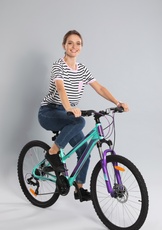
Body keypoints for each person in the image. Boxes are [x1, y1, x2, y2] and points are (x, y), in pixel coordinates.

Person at [38, 30, 129, 202]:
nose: (74, 46)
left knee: (85, 151)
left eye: (78, 43)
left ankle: (79, 188)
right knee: (79, 121)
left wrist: (117, 103)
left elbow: (100, 88)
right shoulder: (59, 65)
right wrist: (69, 108)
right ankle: (53, 152)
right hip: (49, 111)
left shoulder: (82, 70)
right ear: (64, 45)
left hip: (66, 113)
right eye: (70, 43)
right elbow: (60, 88)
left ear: (81, 47)